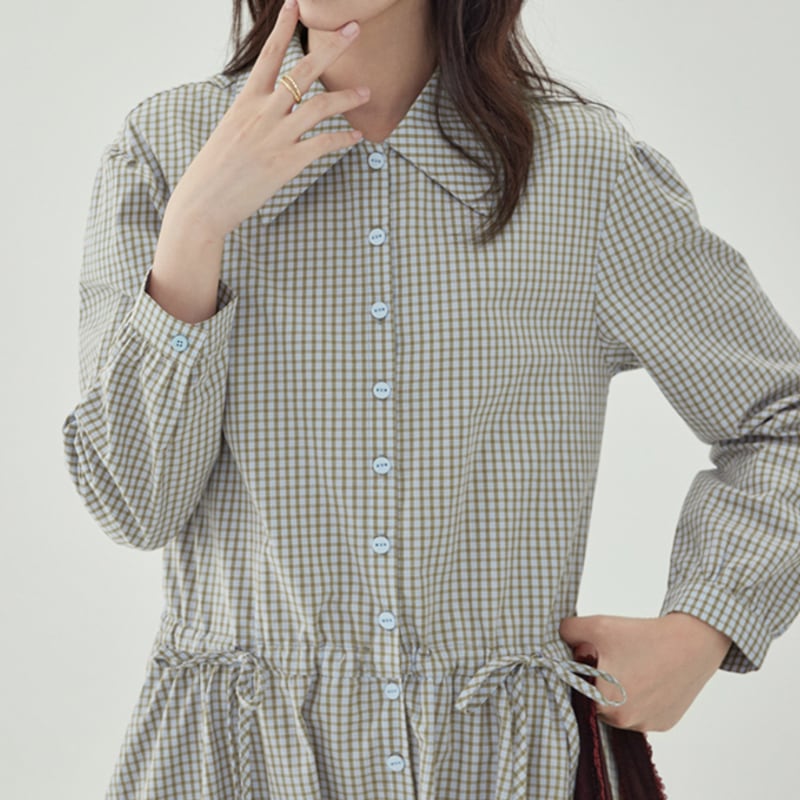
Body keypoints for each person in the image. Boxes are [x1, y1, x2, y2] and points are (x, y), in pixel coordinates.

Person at [61, 0, 800, 798]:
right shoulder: (166, 151)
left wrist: (702, 628)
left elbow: (781, 419)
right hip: (231, 771)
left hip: (505, 774)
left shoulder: (581, 172)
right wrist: (195, 229)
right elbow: (133, 504)